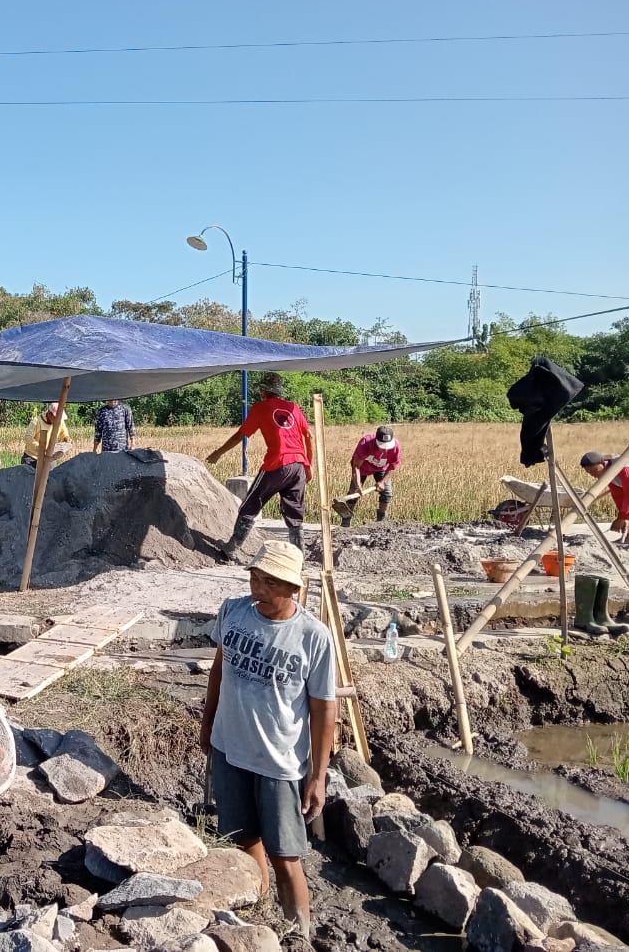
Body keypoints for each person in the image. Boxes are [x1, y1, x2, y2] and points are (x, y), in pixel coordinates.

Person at [198, 540, 336, 941]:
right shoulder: (234, 612)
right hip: (230, 749)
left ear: (291, 589)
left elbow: (324, 709)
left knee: (286, 855)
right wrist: (208, 725)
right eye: (254, 578)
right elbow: (218, 671)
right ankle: (258, 916)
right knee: (242, 839)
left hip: (279, 762)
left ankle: (300, 935)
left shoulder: (312, 637)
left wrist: (318, 775)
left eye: (267, 583)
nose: (256, 588)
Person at [206, 372, 314, 557]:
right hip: (298, 465)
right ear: (279, 391)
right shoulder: (293, 408)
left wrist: (218, 452)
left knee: (250, 505)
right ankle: (298, 558)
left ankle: (230, 549)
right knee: (295, 515)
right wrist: (308, 465)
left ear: (263, 390)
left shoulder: (260, 408)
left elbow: (241, 435)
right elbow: (309, 435)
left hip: (277, 464)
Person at [338, 425, 401, 526]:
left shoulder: (396, 446)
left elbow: (392, 466)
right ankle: (345, 524)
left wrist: (382, 482)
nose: (385, 451)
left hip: (382, 468)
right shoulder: (365, 443)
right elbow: (356, 466)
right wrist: (358, 485)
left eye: (387, 447)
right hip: (362, 468)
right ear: (376, 441)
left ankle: (381, 523)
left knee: (387, 493)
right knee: (353, 493)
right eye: (382, 447)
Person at [580, 450, 629, 548]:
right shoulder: (607, 474)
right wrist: (623, 517)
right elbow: (619, 496)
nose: (592, 474)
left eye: (594, 470)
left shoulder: (624, 468)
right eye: (588, 472)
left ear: (603, 463)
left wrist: (623, 517)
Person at [21, 403, 73, 467]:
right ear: (49, 414)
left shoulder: (60, 421)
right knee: (30, 476)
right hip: (32, 458)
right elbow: (28, 438)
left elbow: (64, 432)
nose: (58, 421)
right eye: (56, 418)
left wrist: (66, 438)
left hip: (49, 457)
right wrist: (41, 447)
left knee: (52, 475)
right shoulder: (36, 421)